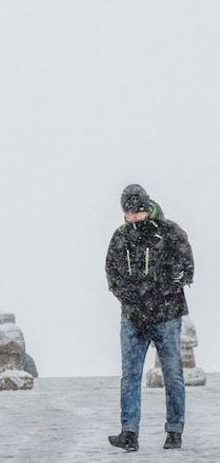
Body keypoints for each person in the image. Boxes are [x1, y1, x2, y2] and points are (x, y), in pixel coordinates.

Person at [106, 184, 194, 452]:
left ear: (145, 207)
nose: (131, 216)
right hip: (132, 318)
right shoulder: (120, 237)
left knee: (173, 375)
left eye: (135, 211)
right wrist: (131, 299)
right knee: (130, 376)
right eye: (127, 211)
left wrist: (163, 291)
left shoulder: (170, 232)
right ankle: (129, 433)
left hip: (166, 316)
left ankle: (175, 431)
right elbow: (112, 274)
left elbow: (186, 268)